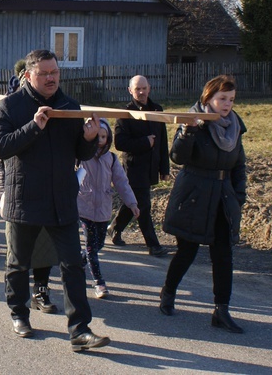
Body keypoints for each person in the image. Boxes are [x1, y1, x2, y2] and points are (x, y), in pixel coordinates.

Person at [0, 49, 110, 351]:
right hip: (25, 198)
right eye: (45, 73)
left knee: (72, 266)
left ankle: (80, 329)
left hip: (62, 200)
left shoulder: (69, 106)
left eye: (55, 72)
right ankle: (19, 314)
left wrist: (90, 139)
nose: (52, 78)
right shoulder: (11, 106)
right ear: (29, 75)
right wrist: (34, 127)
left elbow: (79, 152)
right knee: (18, 263)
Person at [159, 75, 247, 334]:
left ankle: (221, 310)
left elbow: (239, 163)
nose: (227, 104)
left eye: (231, 99)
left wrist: (238, 196)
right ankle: (169, 291)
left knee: (223, 254)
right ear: (208, 98)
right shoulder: (193, 119)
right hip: (194, 194)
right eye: (222, 99)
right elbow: (177, 157)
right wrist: (189, 132)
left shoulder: (234, 125)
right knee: (187, 251)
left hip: (223, 197)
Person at [0, 62, 60, 314]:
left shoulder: (53, 107)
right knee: (18, 255)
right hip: (18, 193)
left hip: (47, 192)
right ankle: (18, 310)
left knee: (45, 246)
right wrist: (2, 194)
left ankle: (41, 289)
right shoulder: (10, 110)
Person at [109, 75, 170, 256]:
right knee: (143, 205)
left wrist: (164, 169)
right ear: (130, 91)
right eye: (137, 89)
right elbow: (120, 143)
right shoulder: (125, 114)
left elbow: (162, 141)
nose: (141, 92)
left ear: (149, 88)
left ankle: (114, 227)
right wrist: (144, 142)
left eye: (144, 88)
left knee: (133, 203)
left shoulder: (157, 110)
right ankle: (153, 245)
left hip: (151, 167)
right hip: (134, 168)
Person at [77, 119, 139, 299]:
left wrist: (132, 203)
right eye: (96, 136)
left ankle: (80, 261)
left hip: (104, 209)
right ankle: (99, 283)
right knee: (91, 247)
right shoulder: (82, 156)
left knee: (99, 244)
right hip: (84, 207)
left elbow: (121, 182)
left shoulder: (111, 159)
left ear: (108, 138)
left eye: (103, 137)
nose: (99, 140)